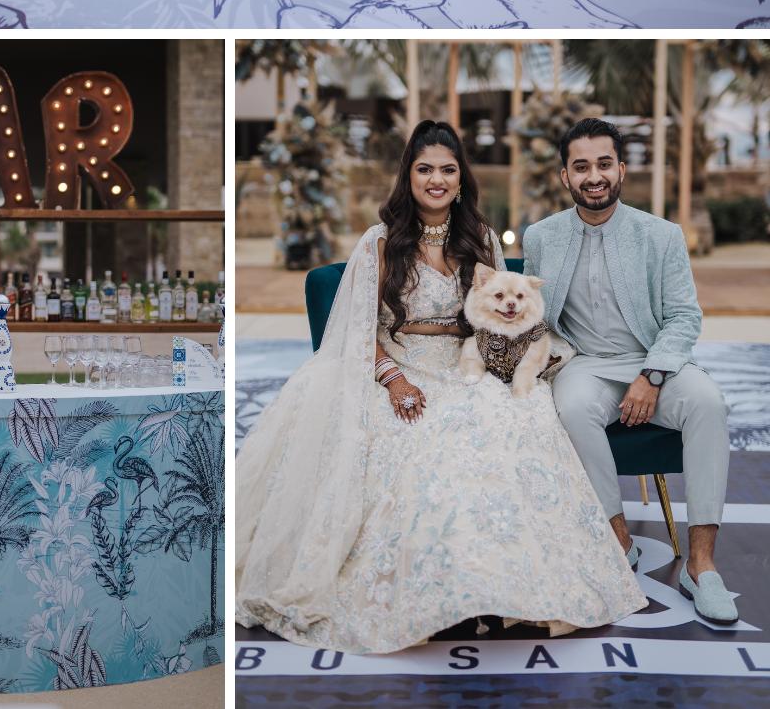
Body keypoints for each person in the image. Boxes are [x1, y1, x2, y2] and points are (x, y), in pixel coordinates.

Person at [236, 120, 646, 654]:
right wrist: (393, 379)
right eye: (425, 169)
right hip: (398, 367)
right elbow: (359, 334)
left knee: (520, 421)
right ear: (408, 176)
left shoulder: (478, 236)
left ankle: (508, 591)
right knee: (421, 442)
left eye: (447, 170)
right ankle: (441, 594)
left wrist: (508, 364)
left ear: (461, 178)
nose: (436, 180)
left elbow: (506, 316)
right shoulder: (381, 242)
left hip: (468, 364)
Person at [523, 118, 736, 625]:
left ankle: (701, 566)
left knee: (710, 403)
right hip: (585, 365)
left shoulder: (660, 235)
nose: (593, 176)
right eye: (581, 167)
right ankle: (618, 543)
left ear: (621, 169)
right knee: (570, 407)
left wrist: (653, 375)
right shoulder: (542, 237)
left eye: (603, 164)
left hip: (653, 359)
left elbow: (684, 317)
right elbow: (536, 317)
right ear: (565, 176)